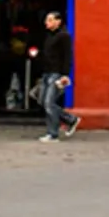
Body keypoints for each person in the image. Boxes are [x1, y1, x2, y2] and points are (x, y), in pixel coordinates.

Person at [33, 11, 79, 143]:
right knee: (43, 101)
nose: (47, 22)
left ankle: (53, 134)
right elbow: (46, 54)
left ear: (58, 22)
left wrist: (65, 74)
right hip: (47, 73)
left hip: (56, 73)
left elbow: (67, 56)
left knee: (49, 103)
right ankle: (71, 119)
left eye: (50, 20)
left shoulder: (64, 36)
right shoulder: (48, 36)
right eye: (47, 20)